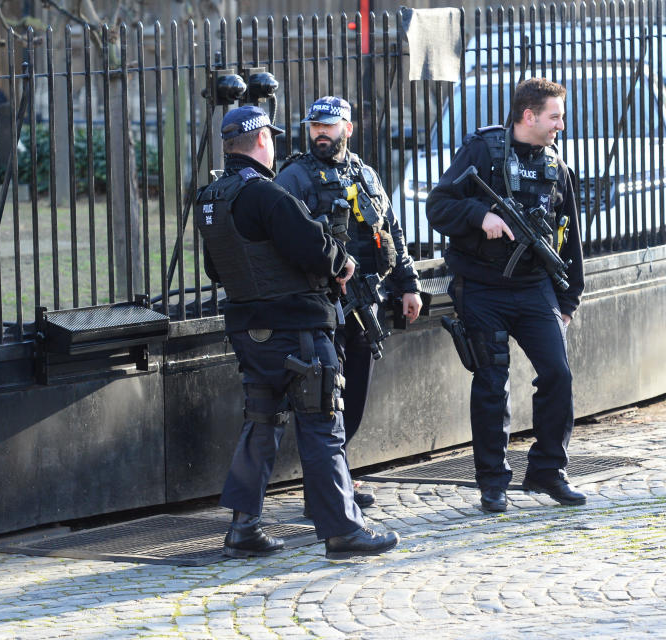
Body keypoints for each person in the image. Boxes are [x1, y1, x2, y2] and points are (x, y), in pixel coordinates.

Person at [198, 104, 400, 560]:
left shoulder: (211, 198)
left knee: (261, 422)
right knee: (323, 423)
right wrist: (343, 263)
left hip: (251, 333)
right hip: (298, 328)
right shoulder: (268, 196)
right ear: (263, 140)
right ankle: (343, 530)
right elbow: (316, 247)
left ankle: (243, 526)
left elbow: (216, 267)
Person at [425, 78, 586, 513]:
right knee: (492, 383)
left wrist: (568, 301)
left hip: (535, 289)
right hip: (481, 287)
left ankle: (549, 471)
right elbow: (438, 206)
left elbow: (569, 239)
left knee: (558, 375)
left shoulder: (556, 165)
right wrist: (480, 216)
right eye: (555, 116)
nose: (561, 125)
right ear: (528, 115)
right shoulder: (482, 150)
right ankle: (492, 482)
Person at [276, 96, 422, 510]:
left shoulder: (367, 176)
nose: (321, 132)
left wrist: (408, 285)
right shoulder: (295, 177)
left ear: (348, 128)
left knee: (354, 395)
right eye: (315, 126)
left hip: (365, 304)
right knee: (326, 398)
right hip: (319, 305)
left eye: (329, 125)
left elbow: (391, 232)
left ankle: (336, 476)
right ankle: (325, 490)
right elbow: (280, 238)